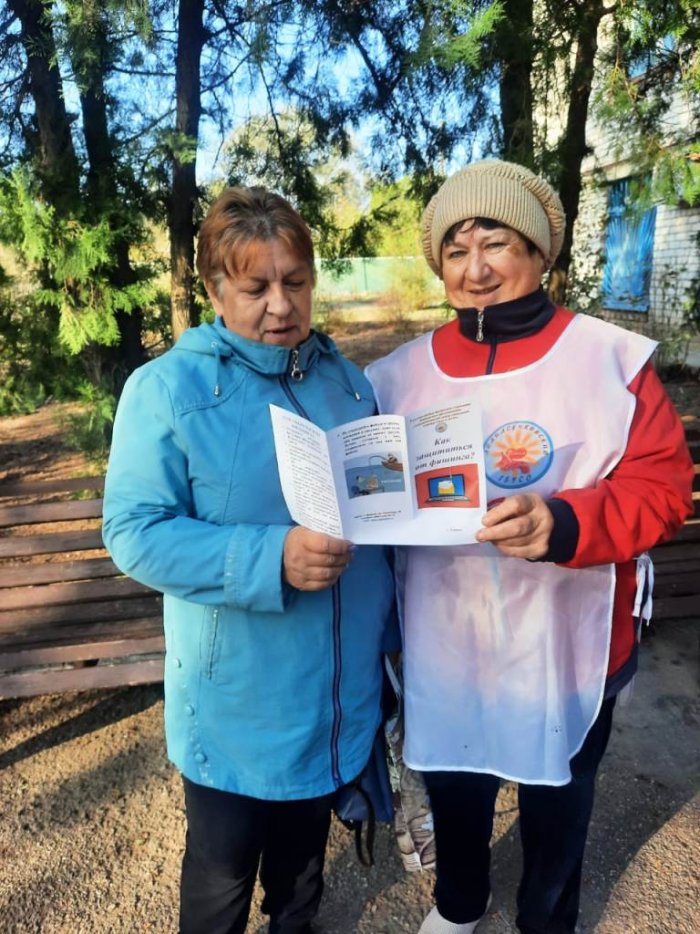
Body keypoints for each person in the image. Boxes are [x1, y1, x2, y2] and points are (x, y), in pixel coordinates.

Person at [365, 160, 694, 934]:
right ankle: (460, 904)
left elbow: (664, 488)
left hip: (569, 640)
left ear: (540, 252)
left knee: (560, 797)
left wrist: (566, 524)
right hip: (446, 637)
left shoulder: (610, 361)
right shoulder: (396, 376)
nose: (475, 268)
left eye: (496, 243)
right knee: (456, 784)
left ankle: (547, 916)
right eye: (455, 251)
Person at [102, 186, 396, 934]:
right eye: (256, 287)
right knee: (222, 874)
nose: (281, 306)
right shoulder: (167, 389)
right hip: (236, 702)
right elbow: (133, 531)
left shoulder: (346, 383)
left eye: (295, 281)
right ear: (213, 290)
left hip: (336, 696)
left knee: (301, 872)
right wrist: (272, 557)